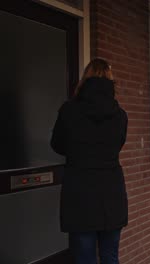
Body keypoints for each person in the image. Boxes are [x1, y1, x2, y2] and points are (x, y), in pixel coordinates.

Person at [50, 58, 128, 264]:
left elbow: (57, 145)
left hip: (80, 193)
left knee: (84, 258)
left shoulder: (68, 110)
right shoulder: (120, 115)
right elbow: (117, 145)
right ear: (111, 81)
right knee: (110, 256)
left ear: (85, 79)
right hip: (111, 193)